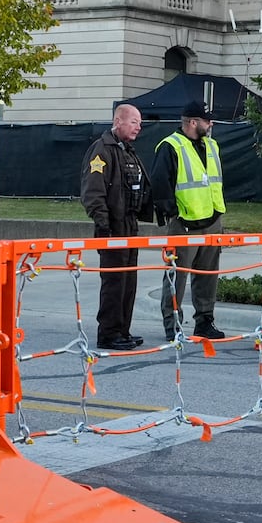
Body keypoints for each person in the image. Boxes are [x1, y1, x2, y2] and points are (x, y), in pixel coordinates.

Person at [150, 100, 226, 341]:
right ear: (193, 122)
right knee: (177, 275)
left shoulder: (211, 145)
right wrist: (174, 215)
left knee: (208, 275)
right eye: (207, 120)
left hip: (211, 220)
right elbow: (161, 185)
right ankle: (173, 325)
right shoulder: (170, 146)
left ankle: (204, 321)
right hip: (184, 223)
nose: (211, 123)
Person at [81, 104, 152, 351]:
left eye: (139, 123)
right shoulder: (102, 151)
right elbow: (93, 192)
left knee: (128, 280)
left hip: (130, 225)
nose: (138, 127)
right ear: (118, 121)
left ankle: (123, 330)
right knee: (114, 281)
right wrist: (103, 225)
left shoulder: (127, 151)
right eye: (134, 122)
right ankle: (109, 333)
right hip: (113, 227)